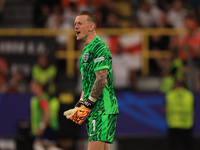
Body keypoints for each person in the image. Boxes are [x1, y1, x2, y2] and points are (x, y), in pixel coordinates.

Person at [63, 11, 119, 150]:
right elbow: (88, 84)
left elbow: (101, 80)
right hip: (96, 109)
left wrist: (87, 105)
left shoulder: (99, 47)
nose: (75, 26)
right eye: (75, 23)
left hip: (102, 108)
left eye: (80, 23)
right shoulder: (85, 51)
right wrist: (80, 107)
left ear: (91, 27)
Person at [30, 80, 60, 150]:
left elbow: (47, 113)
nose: (31, 88)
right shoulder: (38, 98)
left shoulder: (42, 98)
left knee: (40, 146)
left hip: (46, 127)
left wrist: (41, 126)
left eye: (32, 86)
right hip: (45, 127)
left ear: (38, 86)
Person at [165, 79, 194, 150]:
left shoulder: (170, 95)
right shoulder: (190, 95)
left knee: (173, 146)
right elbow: (193, 107)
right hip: (186, 125)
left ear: (176, 85)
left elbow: (165, 108)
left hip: (173, 125)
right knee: (188, 146)